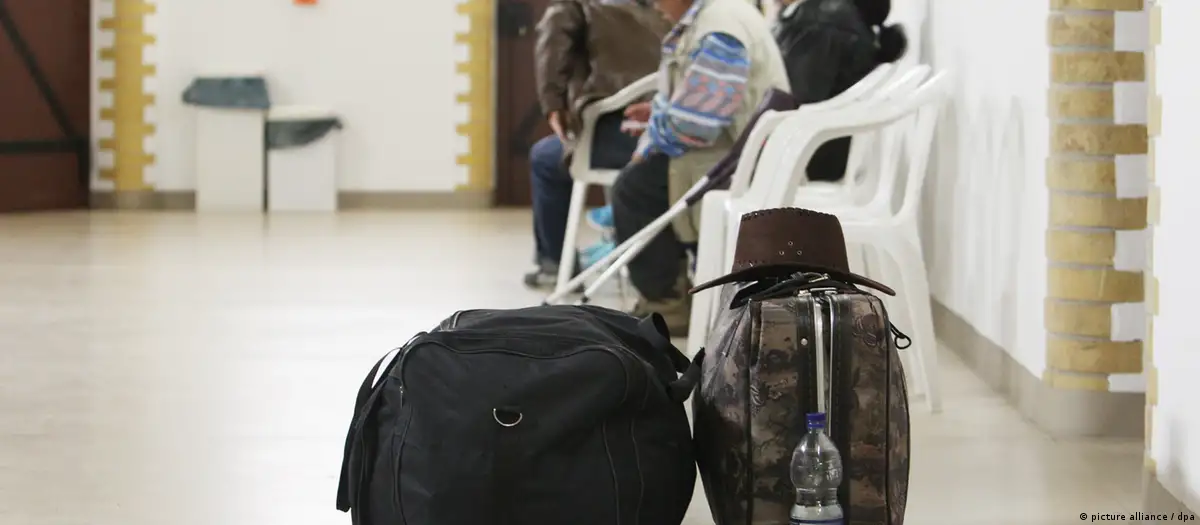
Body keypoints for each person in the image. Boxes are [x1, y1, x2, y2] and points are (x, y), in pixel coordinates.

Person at [612, 0, 790, 333]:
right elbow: (700, 102)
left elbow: (695, 125)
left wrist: (653, 136)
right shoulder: (716, 16)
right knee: (642, 177)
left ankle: (667, 304)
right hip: (736, 154)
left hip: (739, 166)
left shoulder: (719, 30)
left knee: (635, 187)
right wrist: (658, 114)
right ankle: (676, 294)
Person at [524, 0, 670, 289]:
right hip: (673, 136)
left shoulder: (577, 6)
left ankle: (554, 263)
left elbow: (552, 48)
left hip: (621, 136)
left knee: (544, 157)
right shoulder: (669, 10)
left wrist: (553, 105)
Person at [773, 0, 908, 181]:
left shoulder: (821, 22)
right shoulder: (845, 16)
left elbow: (791, 100)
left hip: (804, 155)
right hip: (830, 152)